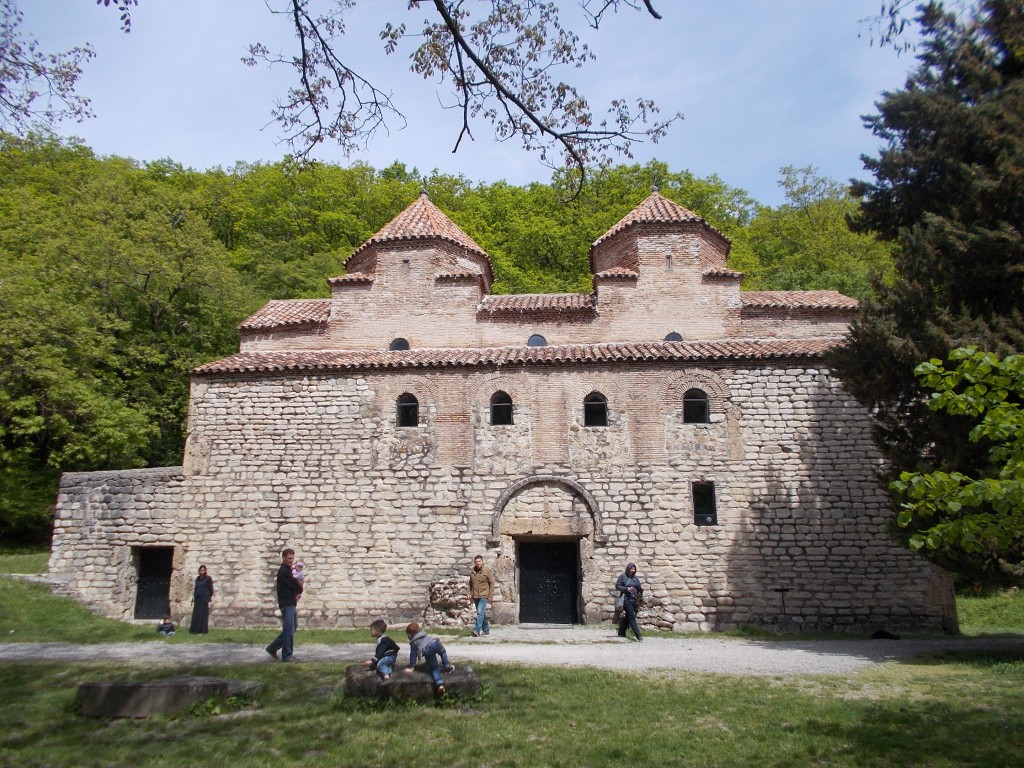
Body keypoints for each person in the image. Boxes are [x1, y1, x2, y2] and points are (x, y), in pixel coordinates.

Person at [265, 548, 303, 662]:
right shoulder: (284, 572)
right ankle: (287, 655)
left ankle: (273, 647)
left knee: (292, 628)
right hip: (287, 603)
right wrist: (299, 585)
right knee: (289, 629)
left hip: (290, 602)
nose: (291, 560)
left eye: (292, 558)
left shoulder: (287, 571)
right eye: (289, 558)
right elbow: (296, 587)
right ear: (284, 557)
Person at [403, 622, 455, 694]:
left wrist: (412, 667)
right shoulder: (424, 634)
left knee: (434, 668)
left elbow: (413, 655)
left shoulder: (413, 642)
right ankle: (447, 667)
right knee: (442, 652)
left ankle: (440, 684)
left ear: (410, 634)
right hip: (435, 642)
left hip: (427, 649)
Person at [615, 562, 644, 642]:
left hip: (633, 600)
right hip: (626, 600)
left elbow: (638, 587)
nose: (633, 570)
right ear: (628, 569)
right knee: (632, 617)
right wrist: (626, 589)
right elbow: (617, 586)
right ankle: (638, 636)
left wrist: (640, 595)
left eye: (634, 569)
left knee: (628, 616)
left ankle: (621, 632)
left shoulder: (635, 578)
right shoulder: (622, 577)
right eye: (631, 568)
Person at [468, 554, 494, 637]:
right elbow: (470, 583)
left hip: (483, 595)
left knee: (479, 613)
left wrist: (490, 595)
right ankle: (486, 630)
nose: (478, 563)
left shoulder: (487, 571)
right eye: (476, 562)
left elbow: (491, 583)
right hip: (475, 596)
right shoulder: (472, 572)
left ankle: (476, 630)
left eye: (479, 561)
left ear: (482, 562)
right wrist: (469, 593)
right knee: (482, 614)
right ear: (474, 563)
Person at [189, 564, 214, 634]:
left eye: (203, 570)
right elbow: (196, 588)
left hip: (204, 599)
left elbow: (211, 589)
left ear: (205, 571)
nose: (202, 571)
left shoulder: (208, 578)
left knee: (203, 615)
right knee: (196, 614)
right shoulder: (197, 578)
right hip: (197, 598)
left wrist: (208, 597)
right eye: (201, 570)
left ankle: (202, 630)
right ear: (199, 571)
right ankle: (195, 630)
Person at [291, 560, 306, 628]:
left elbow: (295, 577)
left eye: (301, 567)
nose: (299, 568)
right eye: (298, 566)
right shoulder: (294, 570)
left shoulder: (300, 573)